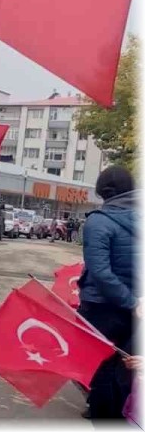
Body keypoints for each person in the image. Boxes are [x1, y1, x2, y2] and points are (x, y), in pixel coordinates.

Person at [78, 165, 137, 421]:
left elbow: (101, 272)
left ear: (102, 191)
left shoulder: (98, 221)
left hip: (102, 309)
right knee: (125, 372)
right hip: (136, 312)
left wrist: (130, 301)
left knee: (98, 370)